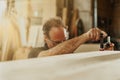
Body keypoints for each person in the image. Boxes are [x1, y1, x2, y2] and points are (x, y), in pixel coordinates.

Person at [28, 17, 107, 58]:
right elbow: (47, 56)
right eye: (57, 42)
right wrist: (86, 36)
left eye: (64, 41)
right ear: (45, 38)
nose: (63, 45)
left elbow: (104, 35)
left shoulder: (68, 51)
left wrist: (100, 34)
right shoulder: (34, 53)